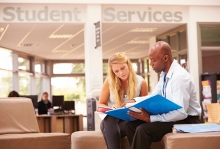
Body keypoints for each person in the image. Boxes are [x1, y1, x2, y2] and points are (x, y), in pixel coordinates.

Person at [124, 41, 202, 149]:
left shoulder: (179, 78)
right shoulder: (164, 75)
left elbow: (181, 113)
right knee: (130, 126)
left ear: (165, 58)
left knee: (143, 130)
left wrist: (151, 118)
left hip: (187, 120)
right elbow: (154, 95)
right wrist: (134, 101)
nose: (150, 63)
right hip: (176, 117)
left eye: (153, 60)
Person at [98, 52, 148, 149]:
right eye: (116, 71)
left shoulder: (141, 82)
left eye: (122, 68)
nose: (121, 73)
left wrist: (134, 103)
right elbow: (101, 104)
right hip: (111, 121)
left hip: (130, 120)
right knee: (110, 117)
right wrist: (111, 108)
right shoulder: (109, 81)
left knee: (106, 127)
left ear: (128, 65)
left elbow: (145, 106)